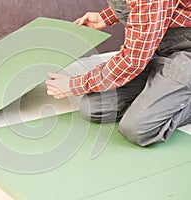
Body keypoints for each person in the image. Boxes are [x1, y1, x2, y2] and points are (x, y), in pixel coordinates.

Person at [46, 0, 191, 146]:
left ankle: (171, 97)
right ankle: (166, 94)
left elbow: (132, 61)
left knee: (137, 129)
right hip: (160, 52)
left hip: (185, 58)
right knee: (94, 108)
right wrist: (106, 16)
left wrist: (76, 84)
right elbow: (152, 9)